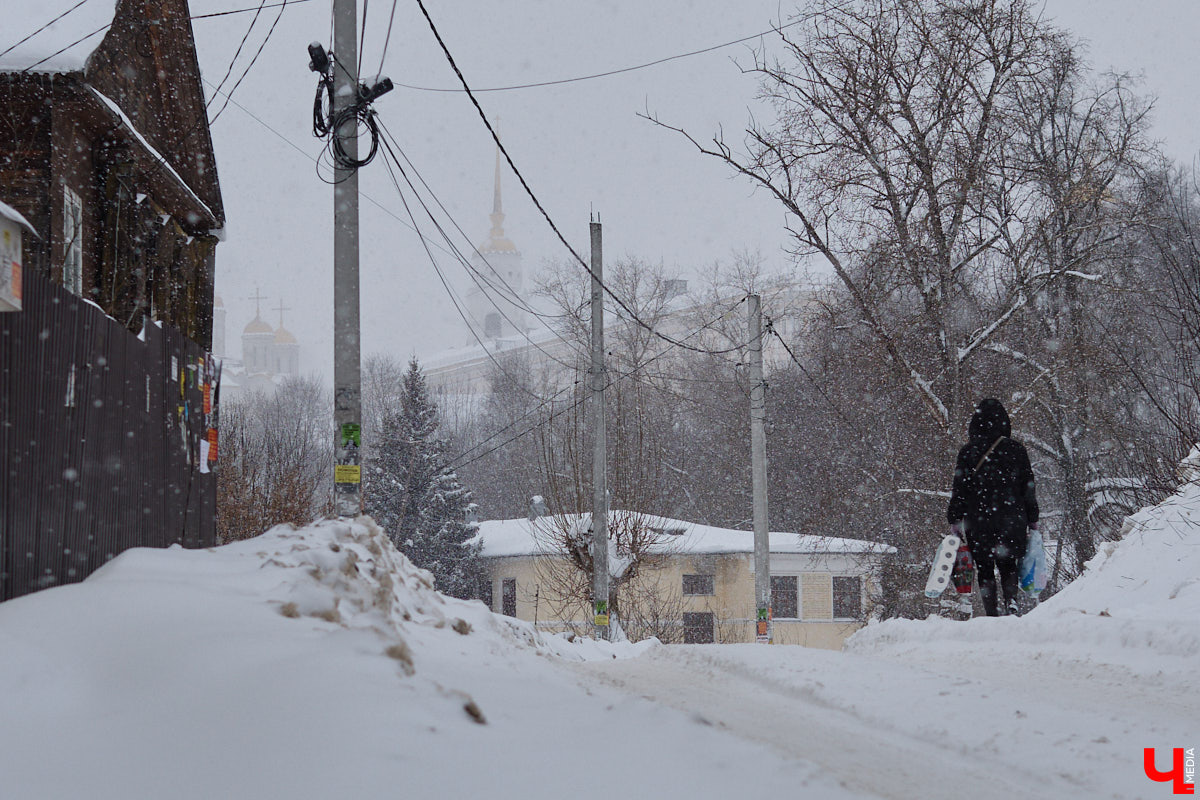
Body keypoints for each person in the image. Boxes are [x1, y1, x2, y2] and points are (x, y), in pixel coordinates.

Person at [946, 398, 1039, 616]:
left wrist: (955, 519)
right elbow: (1028, 486)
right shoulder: (1016, 450)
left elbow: (960, 489)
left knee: (985, 568)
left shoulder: (968, 453)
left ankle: (991, 613)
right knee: (1008, 564)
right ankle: (1011, 601)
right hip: (1011, 518)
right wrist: (1032, 517)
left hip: (978, 521)